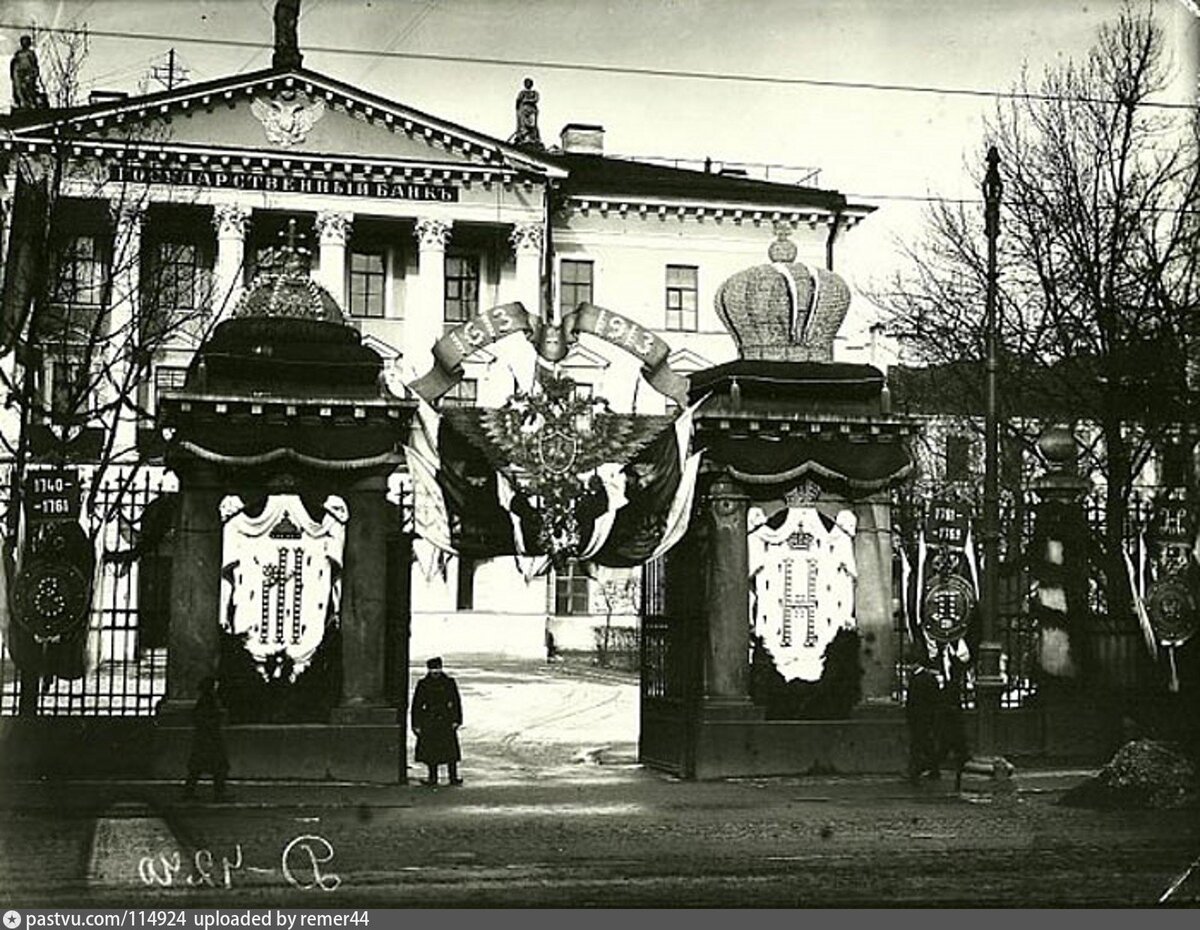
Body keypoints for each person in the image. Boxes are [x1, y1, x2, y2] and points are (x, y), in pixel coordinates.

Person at [411, 657, 463, 785]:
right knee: (431, 752)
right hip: (429, 719)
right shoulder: (423, 684)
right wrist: (416, 724)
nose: (436, 671)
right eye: (433, 669)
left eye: (437, 668)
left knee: (450, 751)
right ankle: (432, 777)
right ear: (429, 669)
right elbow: (416, 705)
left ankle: (453, 777)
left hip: (446, 718)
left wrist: (457, 719)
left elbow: (456, 702)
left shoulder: (449, 682)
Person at [184, 676, 230, 800]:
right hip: (210, 739)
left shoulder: (206, 700)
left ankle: (189, 791)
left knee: (197, 768)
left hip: (204, 739)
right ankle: (219, 793)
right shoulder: (209, 700)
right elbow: (203, 718)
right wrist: (217, 718)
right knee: (219, 766)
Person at [10, 35, 40, 111]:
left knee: (28, 91)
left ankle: (29, 105)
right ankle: (22, 105)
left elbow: (34, 66)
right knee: (19, 91)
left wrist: (32, 75)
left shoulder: (30, 54)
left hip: (27, 75)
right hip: (19, 75)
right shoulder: (18, 54)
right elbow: (14, 66)